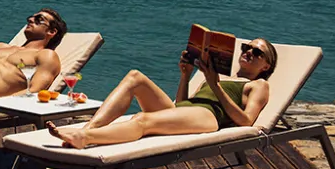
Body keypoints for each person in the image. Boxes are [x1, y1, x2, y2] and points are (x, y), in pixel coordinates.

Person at [47, 36, 278, 148]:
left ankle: (85, 139)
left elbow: (246, 121)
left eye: (257, 52)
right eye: (247, 47)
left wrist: (214, 84)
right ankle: (89, 128)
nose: (249, 52)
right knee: (135, 77)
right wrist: (185, 75)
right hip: (188, 111)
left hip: (209, 118)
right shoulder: (217, 74)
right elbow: (182, 105)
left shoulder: (259, 85)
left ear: (266, 66)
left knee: (143, 120)